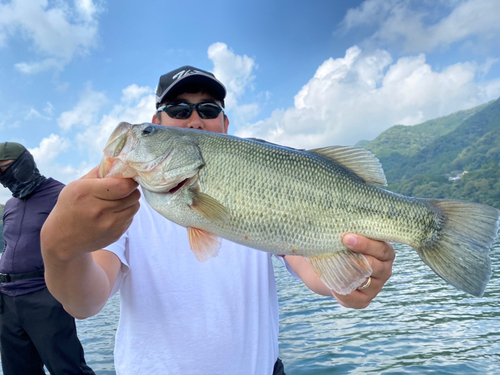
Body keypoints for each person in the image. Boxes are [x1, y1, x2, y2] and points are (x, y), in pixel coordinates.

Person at [40, 66, 396, 375]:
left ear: (225, 124)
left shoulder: (258, 179)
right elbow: (85, 303)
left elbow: (312, 268)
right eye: (178, 110)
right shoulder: (122, 208)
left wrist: (352, 281)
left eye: (209, 109)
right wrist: (59, 249)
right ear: (157, 122)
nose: (195, 119)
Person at [0, 142, 95, 375]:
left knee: (67, 368)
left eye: (5, 168)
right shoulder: (10, 206)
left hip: (45, 295)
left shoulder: (61, 195)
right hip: (6, 300)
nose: (3, 177)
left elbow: (83, 242)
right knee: (17, 370)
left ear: (25, 163)